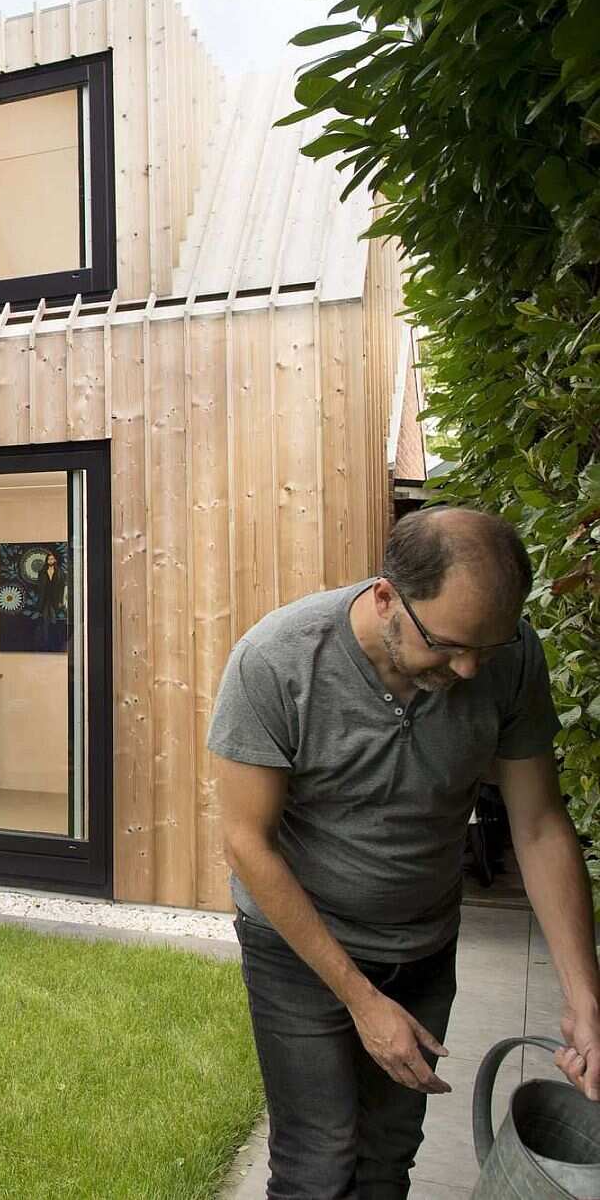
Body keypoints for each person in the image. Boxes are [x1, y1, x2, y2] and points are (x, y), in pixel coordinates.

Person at [211, 507, 600, 1198]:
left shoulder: (508, 659)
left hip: (422, 943)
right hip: (300, 949)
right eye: (448, 645)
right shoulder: (277, 660)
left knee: (389, 1156)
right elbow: (246, 843)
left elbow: (539, 824)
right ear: (387, 595)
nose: (470, 666)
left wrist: (583, 994)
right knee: (319, 1161)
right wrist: (362, 1002)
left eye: (489, 644)